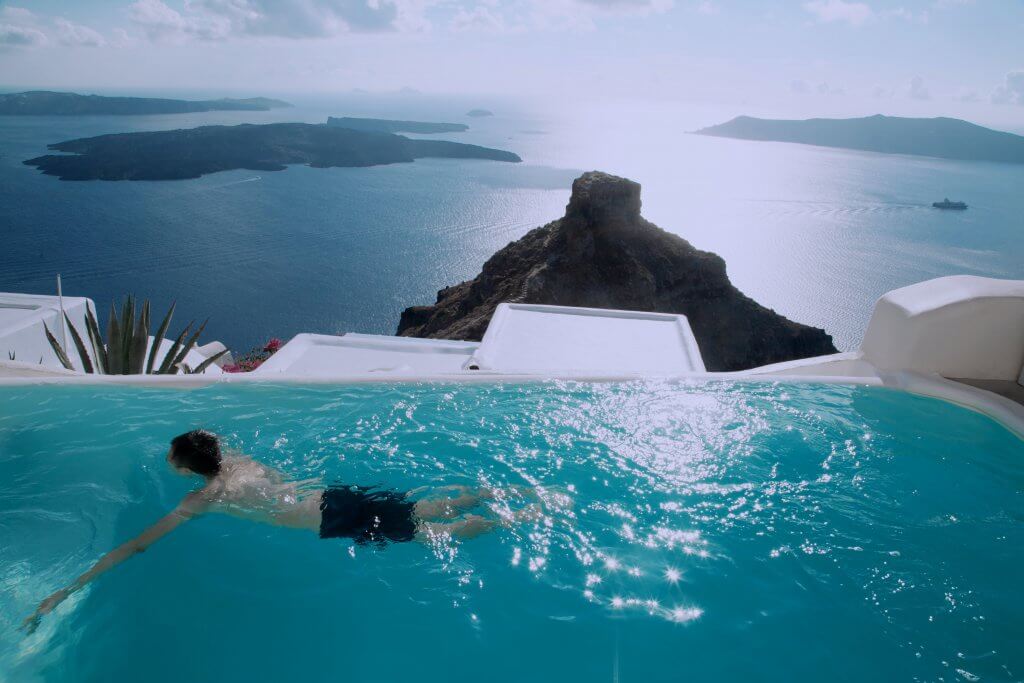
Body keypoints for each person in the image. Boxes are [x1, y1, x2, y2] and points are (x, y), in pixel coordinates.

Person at [24, 429, 538, 633]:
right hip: (334, 495)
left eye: (172, 461)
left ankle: (517, 519)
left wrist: (65, 591)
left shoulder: (205, 498)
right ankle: (504, 494)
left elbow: (137, 545)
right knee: (422, 507)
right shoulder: (238, 460)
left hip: (328, 518)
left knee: (428, 534)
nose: (169, 464)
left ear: (186, 470)